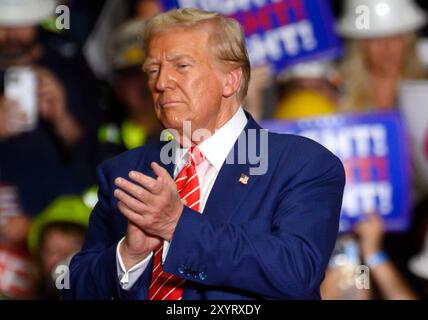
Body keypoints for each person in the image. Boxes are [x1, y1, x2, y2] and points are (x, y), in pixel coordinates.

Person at [66, 8, 345, 300]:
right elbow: (75, 288)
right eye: (153, 70)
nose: (161, 83)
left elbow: (297, 271)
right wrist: (128, 255)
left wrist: (177, 226)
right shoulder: (125, 171)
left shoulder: (300, 164)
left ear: (230, 80)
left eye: (181, 66)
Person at [337, 0, 427, 111]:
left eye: (395, 36)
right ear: (360, 45)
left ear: (408, 40)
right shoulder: (339, 89)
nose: (387, 47)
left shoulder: (424, 86)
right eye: (375, 38)